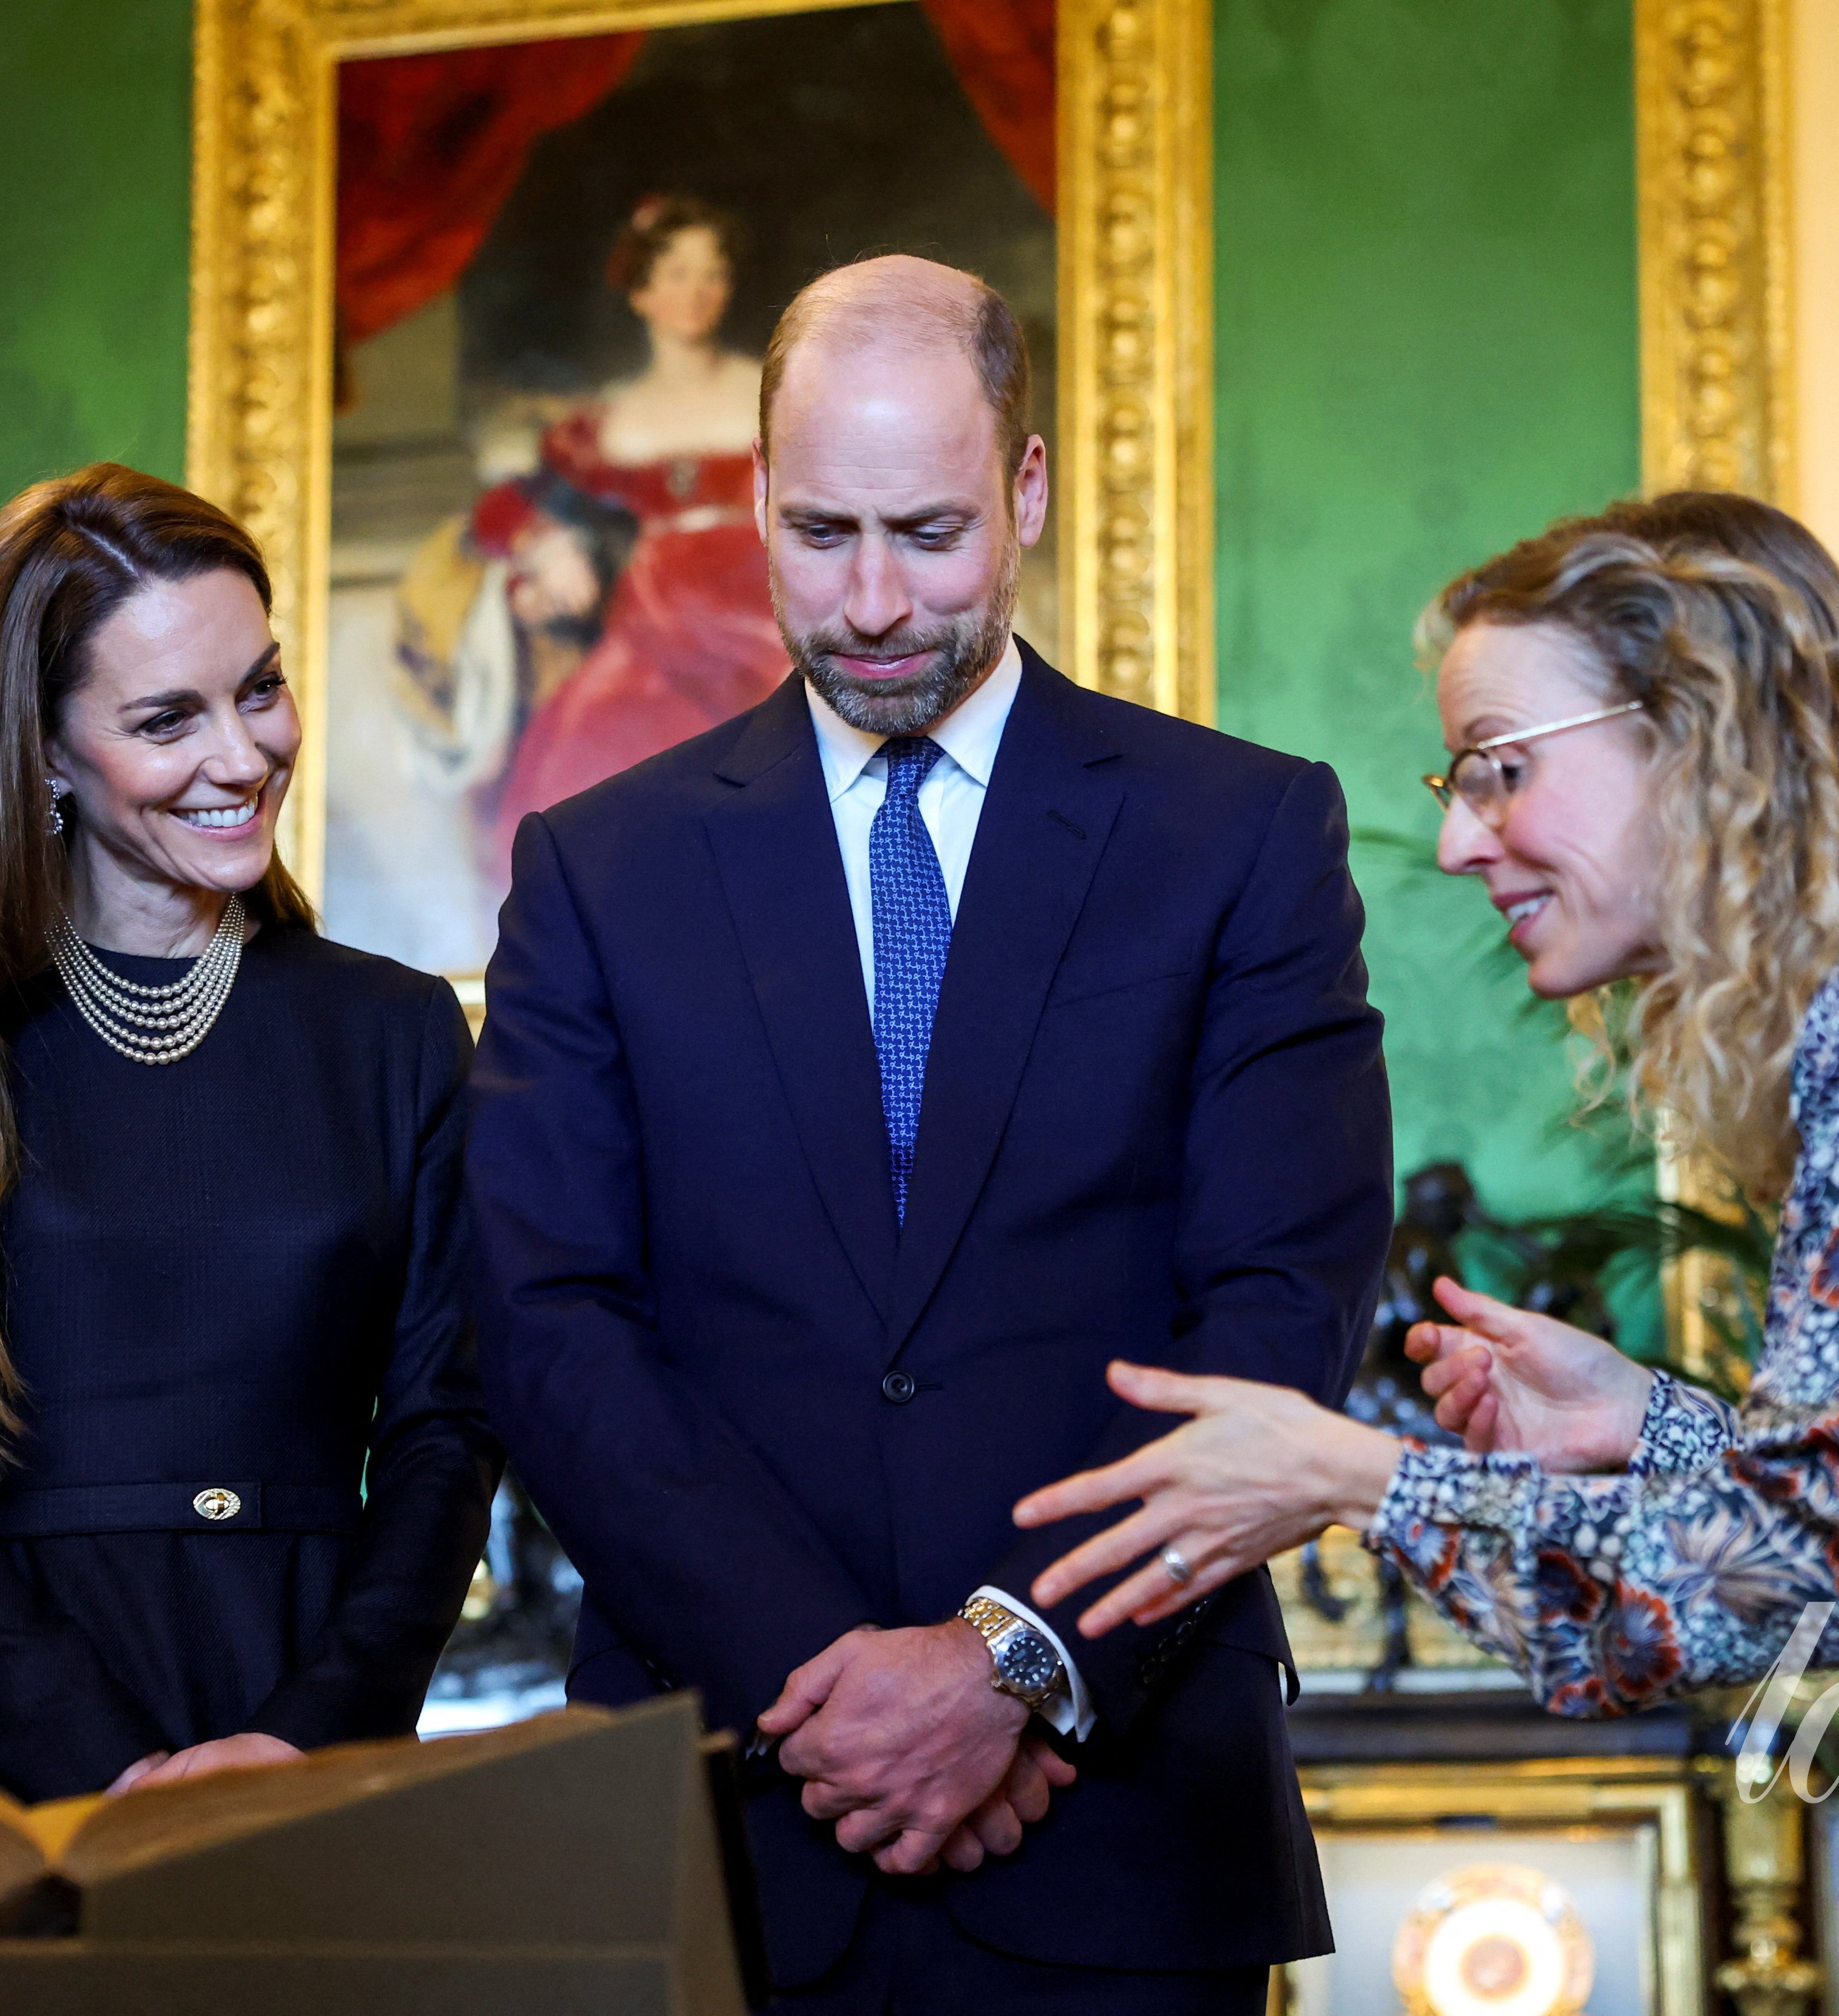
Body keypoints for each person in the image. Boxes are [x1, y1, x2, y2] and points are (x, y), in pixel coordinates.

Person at [1012, 492, 1839, 2011]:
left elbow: (1810, 1566)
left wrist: (1361, 1477)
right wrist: (1642, 1419)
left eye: (1500, 770)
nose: (1460, 840)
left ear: (1696, 734)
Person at [467, 255, 1394, 2012]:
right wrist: (828, 1684)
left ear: (1026, 489)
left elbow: (1278, 1304)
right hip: (726, 1819)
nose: (876, 600)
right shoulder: (598, 867)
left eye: (930, 532)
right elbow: (547, 1320)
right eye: (822, 534)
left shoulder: (1241, 834)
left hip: (1122, 1824)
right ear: (757, 496)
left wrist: (1011, 1661)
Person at [0, 464, 499, 1802]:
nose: (244, 756)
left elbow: (445, 1432)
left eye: (260, 688)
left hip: (309, 1741)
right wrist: (101, 1758)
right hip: (7, 1753)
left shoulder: (396, 1032)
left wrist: (306, 1735)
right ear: (41, 749)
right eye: (169, 719)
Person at [481, 194, 788, 839]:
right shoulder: (610, 419)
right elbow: (506, 513)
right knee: (589, 741)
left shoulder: (774, 392)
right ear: (641, 293)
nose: (697, 293)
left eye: (713, 274)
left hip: (769, 610)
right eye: (677, 274)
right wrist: (550, 550)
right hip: (656, 614)